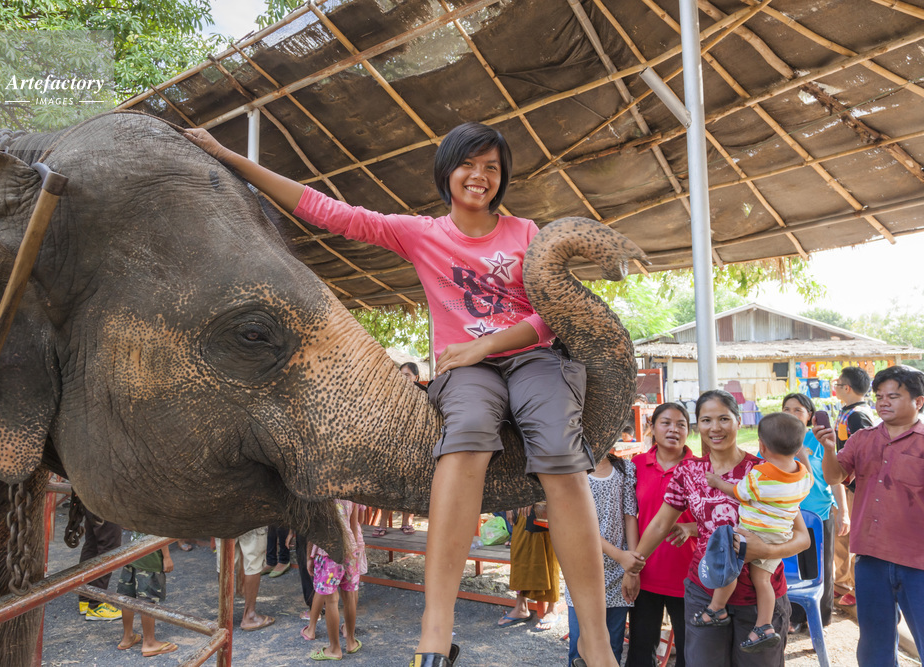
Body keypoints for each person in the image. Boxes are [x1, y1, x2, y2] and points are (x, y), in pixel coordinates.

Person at [184, 121, 618, 667]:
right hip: (467, 372)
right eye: (468, 164)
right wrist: (227, 154)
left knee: (561, 455)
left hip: (531, 357)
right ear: (447, 172)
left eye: (491, 167)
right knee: (465, 439)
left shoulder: (527, 232)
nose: (480, 176)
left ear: (502, 177)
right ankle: (435, 632)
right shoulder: (421, 233)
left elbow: (553, 313)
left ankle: (595, 640)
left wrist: (485, 345)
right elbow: (325, 210)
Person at [625, 390, 810, 667]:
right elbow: (661, 524)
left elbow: (802, 538)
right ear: (698, 426)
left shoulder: (764, 471)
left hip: (758, 599)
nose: (715, 428)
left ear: (738, 421)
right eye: (706, 420)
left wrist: (765, 550)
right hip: (705, 593)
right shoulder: (688, 472)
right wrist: (633, 568)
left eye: (724, 419)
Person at [815, 365, 924, 666]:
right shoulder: (862, 439)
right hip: (871, 560)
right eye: (879, 396)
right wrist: (829, 449)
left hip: (923, 564)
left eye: (893, 396)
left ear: (918, 401)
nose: (883, 402)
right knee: (874, 648)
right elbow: (835, 476)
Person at [704, 412, 812, 652]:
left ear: (762, 446)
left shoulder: (760, 475)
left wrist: (718, 482)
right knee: (762, 580)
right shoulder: (803, 475)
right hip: (780, 536)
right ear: (798, 447)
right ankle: (763, 626)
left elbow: (739, 493)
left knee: (730, 566)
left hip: (752, 533)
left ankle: (716, 609)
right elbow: (808, 484)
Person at [627, 402, 697, 667]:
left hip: (689, 576)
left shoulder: (700, 469)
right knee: (641, 650)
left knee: (691, 653)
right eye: (666, 423)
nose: (673, 429)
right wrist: (632, 567)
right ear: (652, 427)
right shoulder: (636, 465)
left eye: (681, 425)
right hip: (644, 573)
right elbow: (629, 518)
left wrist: (689, 528)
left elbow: (717, 520)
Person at [567, 452, 637, 665]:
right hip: (582, 572)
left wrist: (632, 568)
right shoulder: (573, 469)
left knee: (613, 646)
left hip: (618, 573)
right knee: (579, 648)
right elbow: (578, 526)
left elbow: (630, 516)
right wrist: (621, 556)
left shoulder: (625, 468)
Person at [779, 393, 840, 628]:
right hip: (787, 516)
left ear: (810, 416)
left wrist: (843, 512)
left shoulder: (820, 440)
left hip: (819, 513)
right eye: (787, 409)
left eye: (798, 410)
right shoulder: (774, 439)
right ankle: (794, 617)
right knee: (793, 567)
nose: (791, 414)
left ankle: (820, 619)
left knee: (820, 569)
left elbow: (834, 479)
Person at [831, 365, 874, 607]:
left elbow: (866, 454)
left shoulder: (859, 415)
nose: (835, 389)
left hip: (856, 487)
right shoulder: (847, 411)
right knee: (842, 534)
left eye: (837, 385)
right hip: (844, 484)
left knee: (856, 537)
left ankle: (858, 589)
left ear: (846, 388)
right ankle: (841, 583)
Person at [301, 499, 363, 660]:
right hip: (350, 548)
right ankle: (351, 642)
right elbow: (354, 525)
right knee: (349, 596)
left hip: (327, 550)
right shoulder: (350, 493)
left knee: (331, 600)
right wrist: (354, 551)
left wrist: (309, 556)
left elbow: (313, 529)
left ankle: (335, 648)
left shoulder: (319, 495)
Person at [497, 505, 561, 632]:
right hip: (519, 503)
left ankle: (552, 608)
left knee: (547, 553)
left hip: (544, 502)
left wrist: (533, 497)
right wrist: (510, 504)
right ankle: (521, 607)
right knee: (519, 553)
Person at [375, 362, 421, 537]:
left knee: (410, 485)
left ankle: (406, 522)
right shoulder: (392, 395)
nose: (403, 379)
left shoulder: (421, 396)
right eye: (401, 375)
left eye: (407, 375)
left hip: (413, 446)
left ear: (416, 377)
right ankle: (382, 523)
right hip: (392, 446)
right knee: (388, 485)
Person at [116, 535, 177, 657]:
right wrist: (166, 556)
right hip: (150, 558)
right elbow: (160, 531)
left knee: (128, 597)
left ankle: (127, 637)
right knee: (147, 599)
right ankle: (149, 643)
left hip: (132, 554)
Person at [214, 527, 275, 631]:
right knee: (253, 563)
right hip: (250, 522)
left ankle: (224, 615)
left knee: (224, 560)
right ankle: (250, 616)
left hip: (224, 521)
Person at [78, 507, 123, 621]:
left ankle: (86, 598)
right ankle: (96, 604)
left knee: (92, 544)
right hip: (107, 501)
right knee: (110, 546)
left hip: (93, 500)